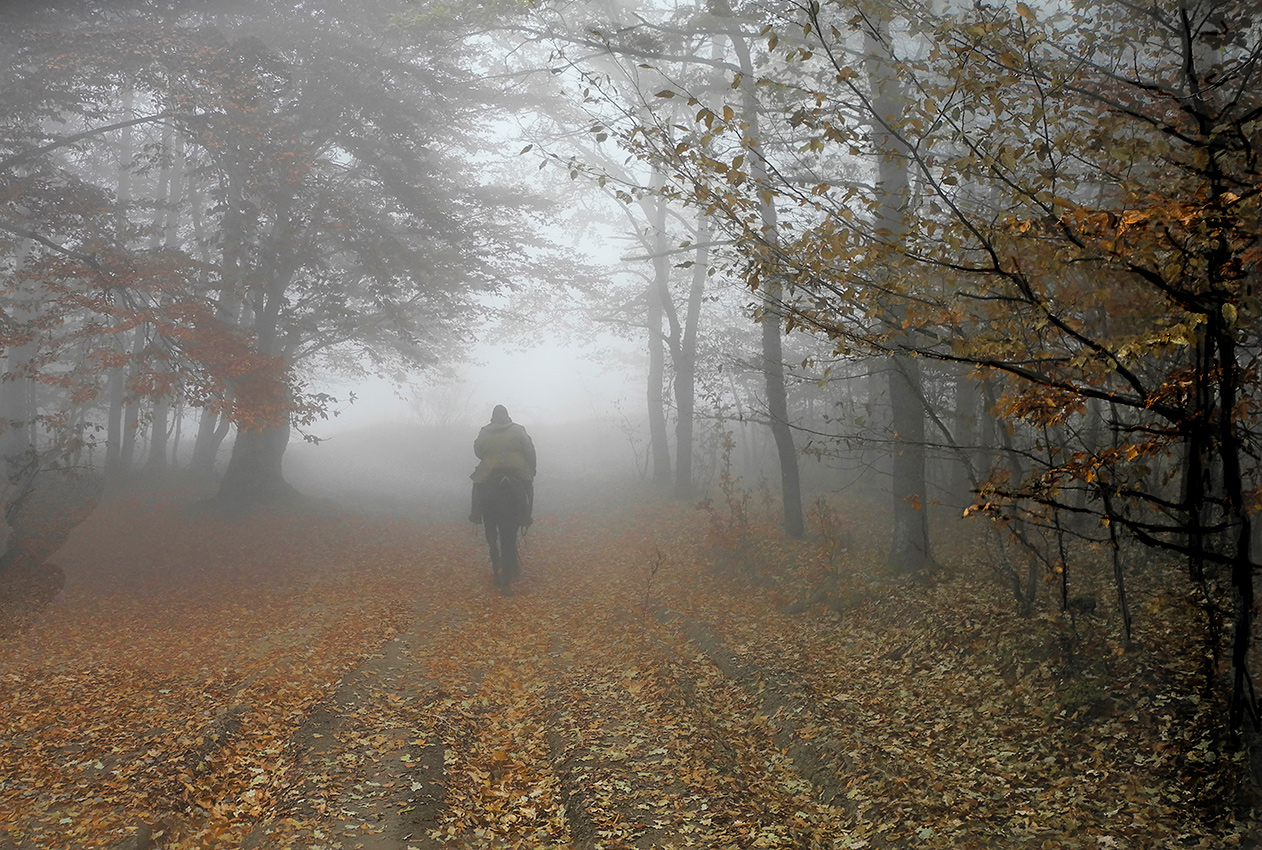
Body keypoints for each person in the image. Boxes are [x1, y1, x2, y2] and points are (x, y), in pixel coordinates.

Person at [469, 404, 535, 525]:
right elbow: (529, 450)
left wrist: (490, 456)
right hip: (517, 467)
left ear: (493, 416)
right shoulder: (519, 429)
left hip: (489, 468)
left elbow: (478, 451)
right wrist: (532, 468)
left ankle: (476, 514)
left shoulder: (485, 431)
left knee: (477, 486)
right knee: (527, 486)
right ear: (507, 415)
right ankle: (526, 516)